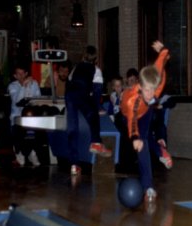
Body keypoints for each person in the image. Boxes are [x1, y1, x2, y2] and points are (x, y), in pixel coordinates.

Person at [120, 41, 172, 202]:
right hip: (129, 114)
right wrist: (135, 138)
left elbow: (160, 63)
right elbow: (132, 121)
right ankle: (160, 150)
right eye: (147, 90)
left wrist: (163, 51)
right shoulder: (133, 99)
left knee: (145, 141)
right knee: (142, 140)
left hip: (146, 110)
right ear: (140, 86)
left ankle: (148, 186)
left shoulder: (156, 85)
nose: (150, 94)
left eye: (153, 90)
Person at [65, 45, 111, 176]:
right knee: (93, 115)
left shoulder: (75, 67)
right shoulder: (96, 70)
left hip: (69, 97)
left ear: (83, 56)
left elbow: (69, 83)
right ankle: (96, 142)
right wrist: (97, 108)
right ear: (95, 59)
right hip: (82, 94)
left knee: (72, 130)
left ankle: (74, 165)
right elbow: (97, 91)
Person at [7, 65, 44, 167]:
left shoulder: (34, 83)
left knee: (36, 127)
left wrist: (30, 87)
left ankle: (32, 152)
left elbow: (38, 98)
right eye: (18, 74)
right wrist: (23, 86)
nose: (21, 76)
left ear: (26, 74)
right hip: (17, 116)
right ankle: (19, 152)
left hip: (31, 115)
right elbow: (16, 101)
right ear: (15, 76)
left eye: (23, 73)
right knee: (18, 129)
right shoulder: (12, 86)